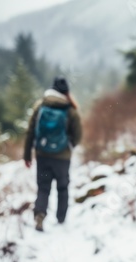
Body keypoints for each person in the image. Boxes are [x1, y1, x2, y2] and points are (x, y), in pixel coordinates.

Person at [23, 77, 82, 232]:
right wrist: (68, 145)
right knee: (62, 188)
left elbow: (30, 132)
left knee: (43, 188)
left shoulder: (40, 106)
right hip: (62, 158)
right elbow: (78, 135)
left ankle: (39, 216)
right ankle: (61, 219)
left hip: (42, 155)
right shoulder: (70, 110)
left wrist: (27, 155)